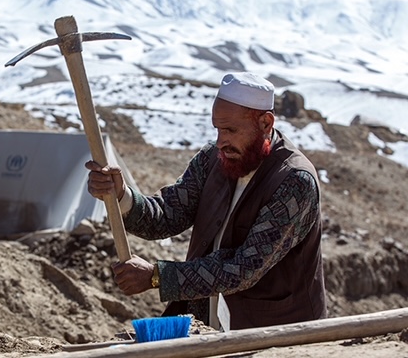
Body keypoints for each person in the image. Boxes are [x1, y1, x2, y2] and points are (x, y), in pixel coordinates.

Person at [85, 72, 327, 331]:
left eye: (231, 130)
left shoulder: (294, 181)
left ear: (266, 123)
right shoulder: (214, 158)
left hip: (279, 336)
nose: (221, 141)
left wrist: (157, 276)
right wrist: (121, 195)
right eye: (218, 129)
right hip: (213, 327)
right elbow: (167, 215)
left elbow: (244, 269)